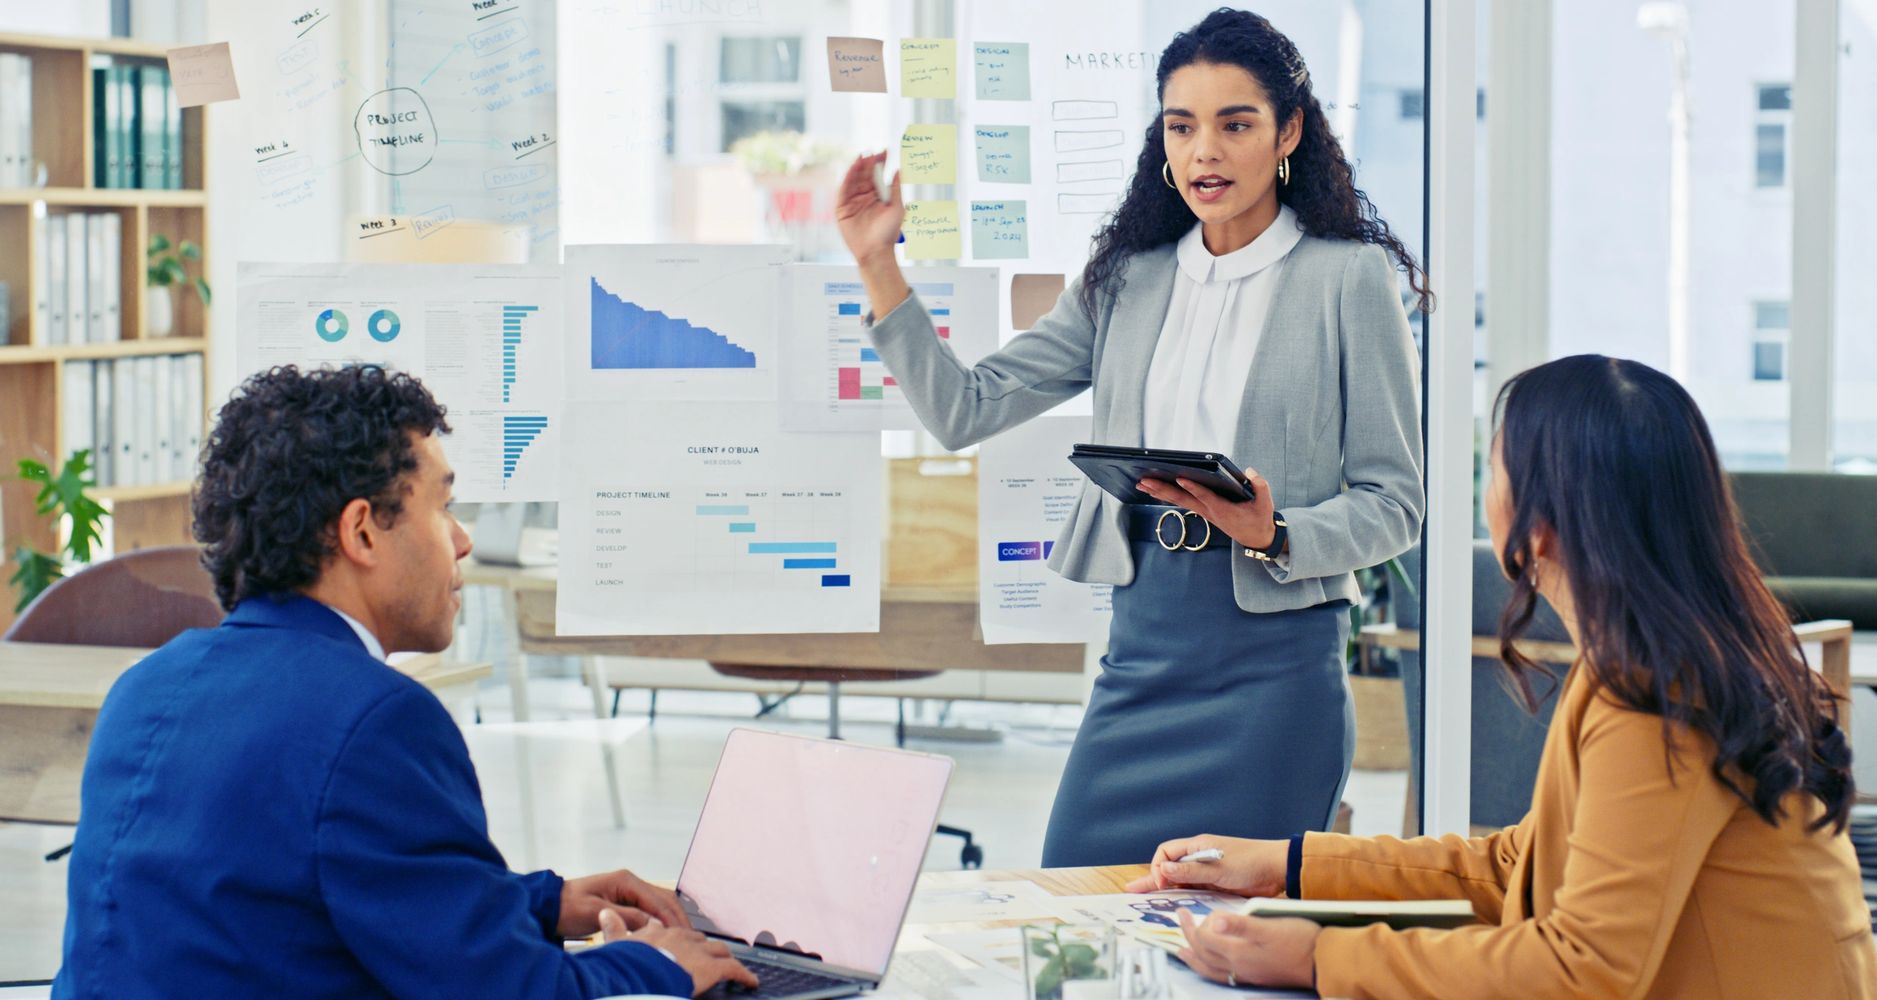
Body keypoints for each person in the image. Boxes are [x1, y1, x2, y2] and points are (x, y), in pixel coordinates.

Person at [835, 8, 1425, 866]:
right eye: (1181, 127)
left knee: (1234, 948)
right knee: (1074, 909)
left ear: (1287, 131)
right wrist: (876, 264)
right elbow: (964, 408)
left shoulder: (1347, 279)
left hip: (1273, 664)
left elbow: (1394, 502)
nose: (1203, 153)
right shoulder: (1126, 279)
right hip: (1144, 646)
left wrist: (1278, 531)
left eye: (1235, 124)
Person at [1131, 355, 1877, 998]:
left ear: (1542, 520)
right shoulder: (1665, 650)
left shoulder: (1656, 689)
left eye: (1494, 468)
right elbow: (1522, 864)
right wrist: (1287, 867)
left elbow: (1581, 966)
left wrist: (1320, 957)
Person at [53, 365, 759, 999]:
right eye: (442, 507)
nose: (463, 540)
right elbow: (511, 994)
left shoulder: (149, 683)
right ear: (362, 533)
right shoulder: (376, 720)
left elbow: (294, 887)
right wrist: (657, 964)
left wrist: (538, 903)